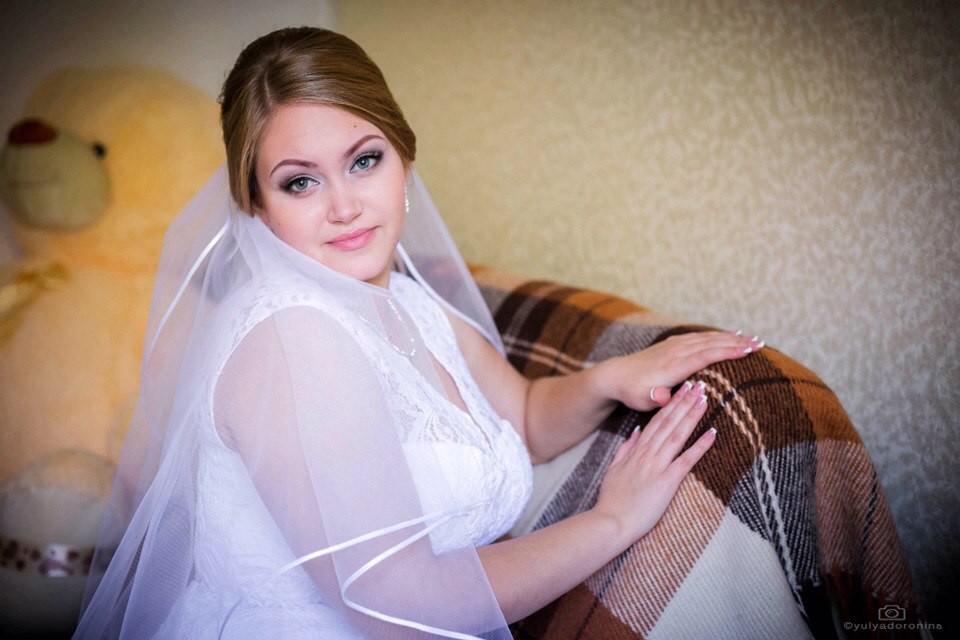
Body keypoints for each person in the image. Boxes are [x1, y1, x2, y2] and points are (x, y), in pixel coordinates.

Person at [72, 26, 764, 639]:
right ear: (256, 207)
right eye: (300, 183)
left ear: (403, 159)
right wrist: (611, 522)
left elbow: (523, 417)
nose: (345, 206)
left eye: (363, 160)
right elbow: (397, 607)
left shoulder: (406, 301)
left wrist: (610, 377)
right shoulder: (290, 338)